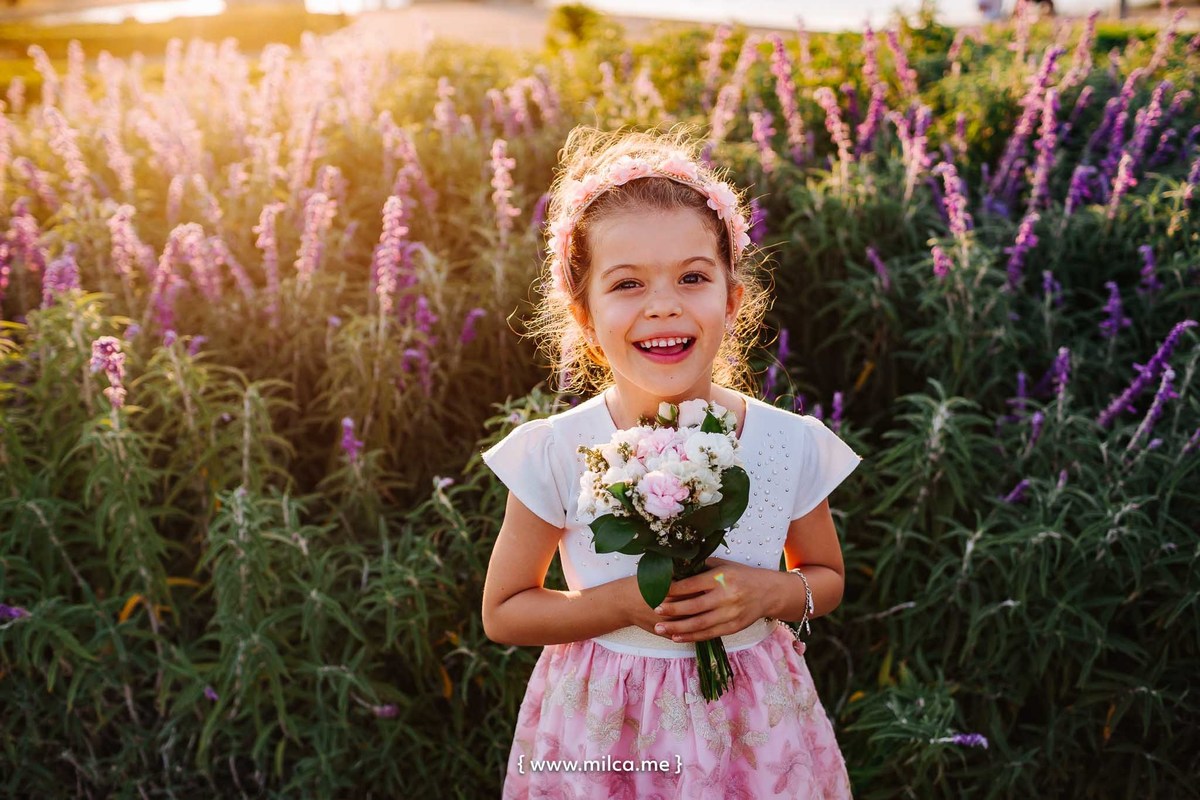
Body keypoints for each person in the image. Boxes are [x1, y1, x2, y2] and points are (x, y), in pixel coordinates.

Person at [480, 125, 863, 798]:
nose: (663, 305)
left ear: (732, 299)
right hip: (605, 732)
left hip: (753, 731)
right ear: (585, 315)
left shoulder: (785, 442)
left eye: (692, 277)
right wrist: (621, 603)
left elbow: (825, 576)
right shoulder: (558, 449)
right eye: (627, 283)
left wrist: (770, 592)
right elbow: (505, 611)